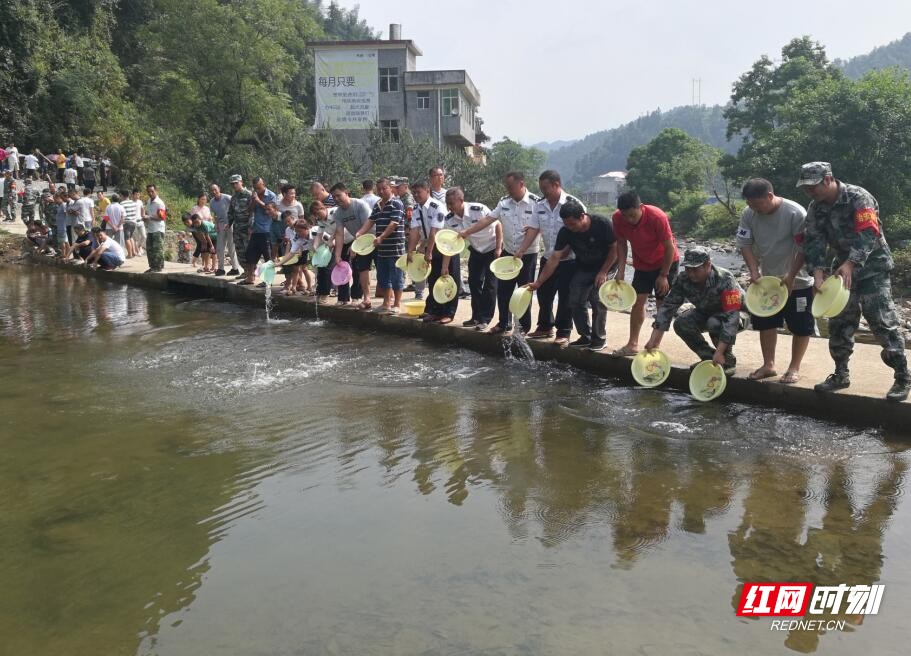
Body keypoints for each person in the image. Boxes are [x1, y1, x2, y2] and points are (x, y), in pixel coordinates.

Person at [797, 161, 910, 402]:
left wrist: (851, 262)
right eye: (806, 188)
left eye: (812, 187)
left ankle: (902, 377)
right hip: (841, 275)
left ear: (827, 179)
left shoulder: (859, 197)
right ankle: (840, 374)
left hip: (873, 269)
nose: (809, 192)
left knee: (882, 323)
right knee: (840, 322)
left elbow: (868, 232)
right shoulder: (815, 208)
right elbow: (814, 241)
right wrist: (817, 274)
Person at [737, 178, 814, 384]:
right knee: (765, 322)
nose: (754, 209)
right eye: (750, 205)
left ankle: (794, 367)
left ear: (769, 196)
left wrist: (791, 274)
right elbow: (744, 244)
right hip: (768, 282)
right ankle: (768, 365)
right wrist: (754, 271)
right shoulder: (749, 214)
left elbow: (803, 248)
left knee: (800, 326)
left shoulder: (795, 213)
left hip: (797, 281)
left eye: (757, 204)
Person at [527, 201, 618, 351]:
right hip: (584, 266)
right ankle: (585, 336)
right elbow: (554, 258)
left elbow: (614, 248)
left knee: (597, 298)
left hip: (607, 266)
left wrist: (603, 272)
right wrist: (539, 282)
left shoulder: (601, 224)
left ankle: (599, 338)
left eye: (572, 224)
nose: (570, 228)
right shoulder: (566, 231)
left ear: (582, 216)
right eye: (566, 224)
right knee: (574, 299)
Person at [459, 172, 540, 335]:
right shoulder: (504, 202)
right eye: (507, 187)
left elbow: (543, 225)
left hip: (528, 255)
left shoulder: (536, 202)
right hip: (508, 253)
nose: (508, 190)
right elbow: (487, 219)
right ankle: (504, 323)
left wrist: (530, 234)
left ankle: (524, 326)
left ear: (521, 184)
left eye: (511, 187)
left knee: (524, 291)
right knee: (503, 290)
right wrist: (467, 231)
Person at [644, 247, 745, 374]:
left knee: (714, 323)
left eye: (695, 269)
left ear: (708, 265)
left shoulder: (725, 279)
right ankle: (709, 358)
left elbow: (732, 316)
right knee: (681, 323)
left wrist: (720, 351)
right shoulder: (684, 279)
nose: (691, 274)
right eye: (688, 269)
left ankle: (727, 360)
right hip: (706, 311)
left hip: (738, 314)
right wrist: (653, 340)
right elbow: (668, 307)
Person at [519, 170, 586, 346]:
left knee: (565, 296)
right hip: (549, 256)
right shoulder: (539, 205)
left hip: (569, 259)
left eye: (546, 188)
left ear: (557, 185)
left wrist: (568, 248)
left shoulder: (573, 203)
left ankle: (564, 331)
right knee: (543, 293)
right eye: (541, 189)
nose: (543, 192)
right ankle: (545, 326)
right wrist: (521, 250)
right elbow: (533, 229)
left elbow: (580, 229)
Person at [611, 191, 680, 356]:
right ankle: (632, 344)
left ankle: (654, 345)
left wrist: (663, 275)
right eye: (625, 216)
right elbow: (621, 244)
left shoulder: (657, 217)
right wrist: (620, 271)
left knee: (661, 304)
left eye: (633, 215)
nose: (629, 220)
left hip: (666, 261)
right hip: (642, 263)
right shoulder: (617, 218)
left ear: (641, 207)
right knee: (637, 301)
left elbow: (669, 247)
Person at [443, 187, 500, 331]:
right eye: (447, 204)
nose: (449, 207)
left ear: (461, 201)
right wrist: (445, 267)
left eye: (452, 203)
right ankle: (476, 317)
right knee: (474, 283)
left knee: (490, 285)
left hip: (492, 249)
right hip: (476, 250)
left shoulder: (478, 209)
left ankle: (485, 319)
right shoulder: (449, 219)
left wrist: (499, 248)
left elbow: (498, 225)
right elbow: (449, 245)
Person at [355, 177, 405, 313]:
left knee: (396, 276)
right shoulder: (377, 204)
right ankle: (386, 303)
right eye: (380, 189)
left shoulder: (397, 203)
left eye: (385, 188)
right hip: (381, 248)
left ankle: (397, 305)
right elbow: (371, 220)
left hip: (395, 247)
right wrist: (360, 232)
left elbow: (394, 223)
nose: (382, 191)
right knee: (383, 277)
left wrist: (381, 236)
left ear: (391, 188)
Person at [409, 181, 457, 323]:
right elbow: (414, 231)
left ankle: (449, 313)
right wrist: (410, 251)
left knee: (448, 278)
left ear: (427, 191)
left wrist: (428, 252)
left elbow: (434, 232)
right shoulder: (417, 208)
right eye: (414, 193)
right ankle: (435, 311)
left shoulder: (437, 207)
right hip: (430, 246)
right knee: (434, 279)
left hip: (446, 246)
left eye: (419, 192)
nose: (416, 195)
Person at [330, 182, 371, 307]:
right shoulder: (338, 213)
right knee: (361, 268)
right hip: (358, 240)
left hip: (373, 238)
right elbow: (339, 234)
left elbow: (367, 227)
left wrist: (355, 246)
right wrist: (337, 255)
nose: (336, 199)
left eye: (338, 195)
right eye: (334, 197)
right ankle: (365, 298)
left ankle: (388, 301)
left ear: (346, 193)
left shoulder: (360, 205)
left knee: (380, 269)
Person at [242, 177, 277, 287]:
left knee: (267, 257)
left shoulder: (271, 195)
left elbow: (270, 211)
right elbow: (249, 210)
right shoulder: (254, 195)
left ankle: (268, 281)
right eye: (256, 188)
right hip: (256, 230)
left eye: (259, 187)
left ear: (263, 184)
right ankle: (250, 278)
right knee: (249, 255)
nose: (258, 190)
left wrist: (258, 200)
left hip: (267, 230)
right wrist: (253, 201)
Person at [208, 183, 239, 276]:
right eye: (212, 190)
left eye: (215, 189)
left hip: (230, 223)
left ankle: (235, 268)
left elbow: (236, 208)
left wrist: (232, 221)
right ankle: (221, 269)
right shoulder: (212, 202)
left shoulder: (227, 197)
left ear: (219, 189)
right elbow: (215, 215)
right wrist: (216, 224)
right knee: (220, 248)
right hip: (220, 224)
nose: (214, 192)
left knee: (231, 247)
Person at [276, 219, 312, 295]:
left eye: (300, 231)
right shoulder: (297, 237)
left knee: (305, 269)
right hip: (299, 252)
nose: (298, 233)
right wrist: (280, 263)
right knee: (295, 269)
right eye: (296, 231)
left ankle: (310, 287)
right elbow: (291, 252)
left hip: (314, 251)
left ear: (307, 229)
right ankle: (294, 287)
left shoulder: (316, 232)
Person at [144, 184, 168, 272]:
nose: (150, 193)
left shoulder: (159, 203)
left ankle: (158, 267)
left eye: (152, 191)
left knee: (157, 249)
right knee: (150, 249)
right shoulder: (149, 201)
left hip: (158, 229)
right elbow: (147, 213)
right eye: (148, 192)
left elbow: (162, 217)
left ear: (156, 191)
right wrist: (145, 218)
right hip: (150, 229)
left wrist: (150, 217)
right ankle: (152, 267)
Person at [122, 188, 143, 257]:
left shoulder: (122, 203)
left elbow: (122, 214)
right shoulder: (133, 203)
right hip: (134, 222)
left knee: (127, 238)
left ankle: (130, 254)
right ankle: (133, 252)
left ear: (122, 196)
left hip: (127, 223)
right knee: (131, 237)